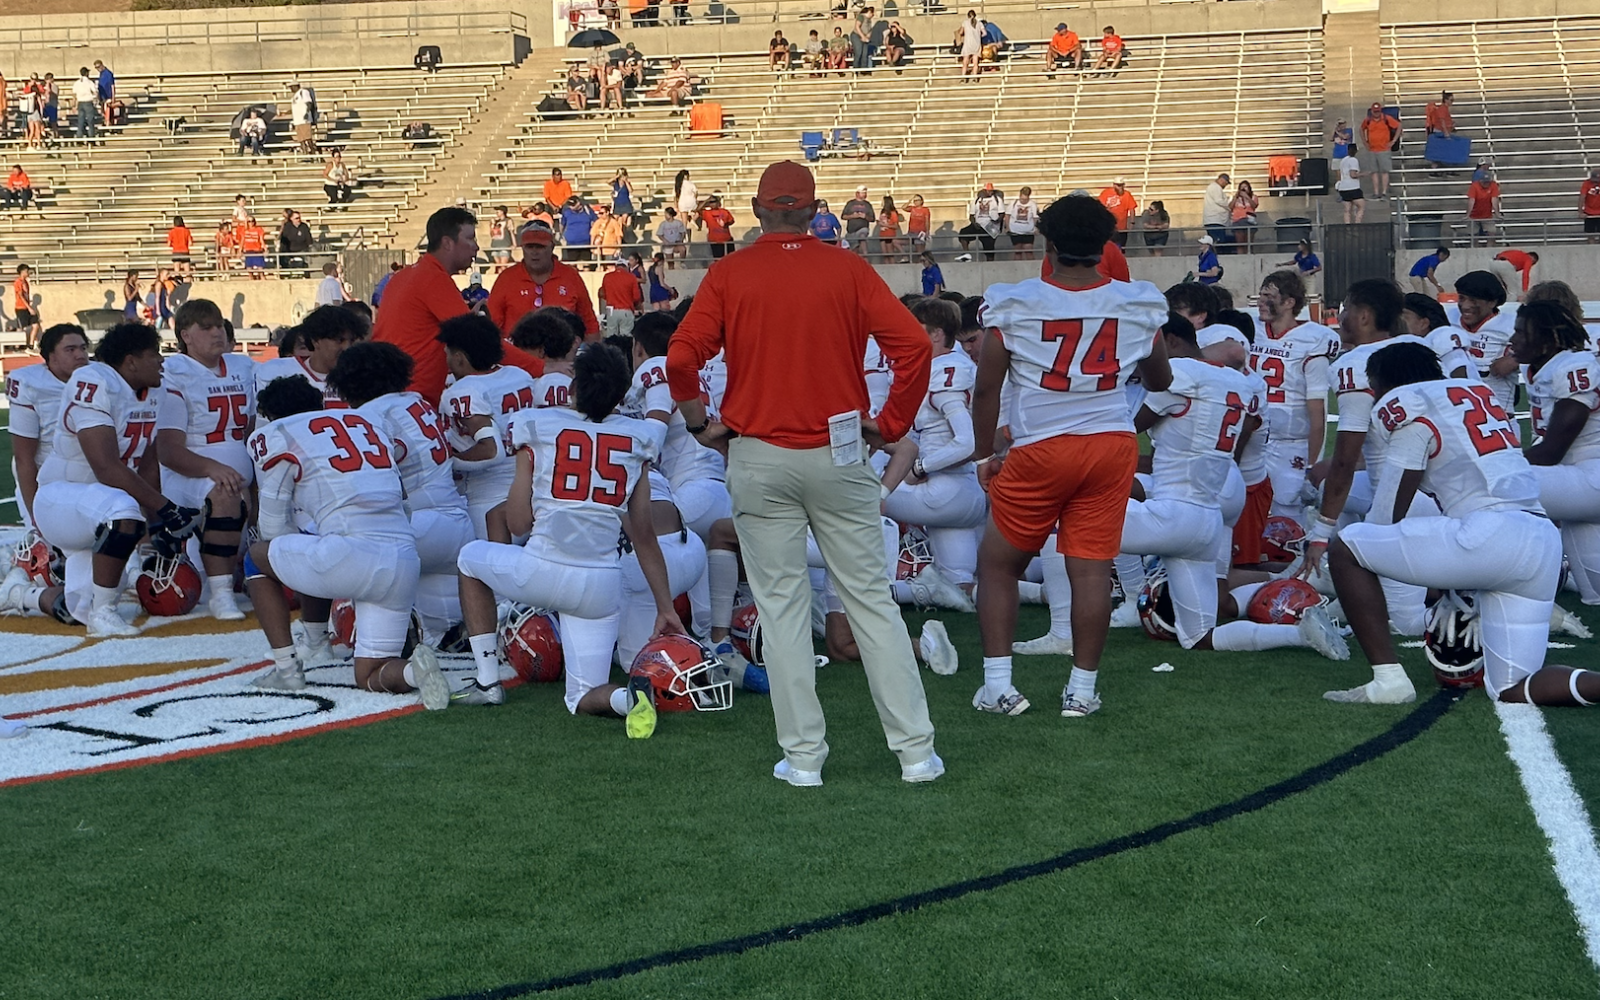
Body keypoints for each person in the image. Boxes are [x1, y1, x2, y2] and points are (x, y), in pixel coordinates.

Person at [665, 159, 942, 785]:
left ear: (760, 210)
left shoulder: (731, 272)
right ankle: (916, 753)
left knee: (782, 609)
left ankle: (804, 758)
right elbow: (915, 347)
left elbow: (682, 358)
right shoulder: (846, 268)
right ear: (814, 210)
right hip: (839, 449)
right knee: (871, 602)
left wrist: (696, 421)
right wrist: (891, 424)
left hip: (758, 453)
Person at [967, 194, 1171, 719]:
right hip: (1111, 444)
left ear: (1047, 242)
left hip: (1042, 447)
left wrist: (983, 453)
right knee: (1091, 572)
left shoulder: (1015, 301)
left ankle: (998, 686)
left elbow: (987, 389)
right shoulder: (1137, 301)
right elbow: (1161, 380)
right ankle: (1081, 691)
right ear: (1105, 243)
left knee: (997, 566)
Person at [1324, 341, 1596, 707]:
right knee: (1512, 688)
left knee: (1347, 547)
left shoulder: (1406, 403)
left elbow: (1387, 517)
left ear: (1384, 384)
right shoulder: (1479, 392)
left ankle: (1388, 680)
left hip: (1487, 536)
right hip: (1541, 539)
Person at [454, 342, 683, 728]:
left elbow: (518, 524)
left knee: (469, 560)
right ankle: (629, 697)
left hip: (542, 569)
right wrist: (666, 607)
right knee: (581, 696)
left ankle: (487, 680)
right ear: (622, 393)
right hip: (599, 585)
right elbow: (643, 535)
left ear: (574, 387)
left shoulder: (539, 426)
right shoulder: (637, 436)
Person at [242, 375, 446, 706]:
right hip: (403, 558)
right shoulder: (364, 423)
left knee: (258, 556)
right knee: (370, 675)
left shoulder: (281, 434)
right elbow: (404, 501)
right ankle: (413, 672)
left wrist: (286, 558)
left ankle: (286, 669)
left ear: (270, 415)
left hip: (348, 554)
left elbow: (273, 523)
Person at [24, 323, 201, 637]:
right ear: (130, 361)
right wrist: (168, 509)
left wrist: (157, 525)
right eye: (153, 355)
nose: (161, 361)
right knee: (122, 508)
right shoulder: (93, 380)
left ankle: (23, 595)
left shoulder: (155, 390)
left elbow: (148, 466)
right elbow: (105, 467)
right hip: (62, 500)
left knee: (76, 610)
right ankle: (104, 615)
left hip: (96, 508)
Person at [153, 299, 254, 623]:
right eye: (206, 327)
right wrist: (213, 468)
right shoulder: (174, 373)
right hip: (190, 475)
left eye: (220, 324)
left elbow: (249, 431)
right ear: (185, 335)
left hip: (238, 474)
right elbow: (168, 451)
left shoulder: (243, 366)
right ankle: (221, 595)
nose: (217, 333)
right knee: (225, 492)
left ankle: (247, 569)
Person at [1515, 301, 1600, 609]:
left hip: (1590, 476)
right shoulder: (1545, 367)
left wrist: (1496, 463)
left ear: (1549, 341)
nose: (1514, 340)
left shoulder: (1573, 366)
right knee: (1595, 596)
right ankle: (1555, 575)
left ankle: (1494, 582)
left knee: (1494, 486)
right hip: (1577, 482)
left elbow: (1552, 451)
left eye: (1521, 333)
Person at [437, 314, 537, 542]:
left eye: (449, 354)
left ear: (460, 358)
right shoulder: (519, 376)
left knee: (484, 570)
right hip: (530, 491)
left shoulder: (464, 390)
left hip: (489, 496)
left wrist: (444, 462)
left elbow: (491, 451)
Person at [1252, 270, 1339, 523]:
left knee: (1287, 514)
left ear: (1289, 302)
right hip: (1254, 440)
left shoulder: (1312, 340)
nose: (1261, 300)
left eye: (1269, 296)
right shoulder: (1251, 330)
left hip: (1292, 444)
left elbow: (1317, 411)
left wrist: (1313, 467)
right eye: (1261, 294)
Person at [371, 206, 478, 404]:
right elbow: (478, 341)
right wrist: (538, 367)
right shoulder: (434, 278)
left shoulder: (403, 276)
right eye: (470, 238)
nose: (476, 247)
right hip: (413, 400)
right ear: (447, 242)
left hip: (388, 393)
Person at [0, 323, 88, 542]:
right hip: (45, 473)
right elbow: (23, 457)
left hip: (87, 470)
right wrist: (35, 516)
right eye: (70, 350)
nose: (80, 355)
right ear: (51, 357)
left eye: (83, 348)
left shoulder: (98, 377)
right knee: (46, 546)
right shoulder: (31, 383)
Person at [489, 220, 600, 338]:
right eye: (529, 247)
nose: (534, 252)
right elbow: (491, 325)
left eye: (540, 246)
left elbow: (589, 324)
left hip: (563, 353)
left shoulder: (570, 276)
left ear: (552, 247)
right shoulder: (506, 279)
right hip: (516, 354)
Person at [1451, 269, 1518, 413]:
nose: (1465, 306)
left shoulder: (1511, 325)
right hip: (1455, 414)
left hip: (1498, 415)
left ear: (1492, 302)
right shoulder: (1448, 319)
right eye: (1462, 298)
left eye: (1473, 300)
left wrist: (1515, 360)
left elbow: (1548, 345)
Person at [1359, 102, 1400, 200]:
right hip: (1372, 149)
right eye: (1374, 112)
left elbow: (1398, 126)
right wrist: (1365, 142)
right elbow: (1361, 129)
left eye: (1377, 112)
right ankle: (1376, 192)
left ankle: (1384, 192)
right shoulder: (1368, 120)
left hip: (1384, 149)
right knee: (1374, 172)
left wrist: (1393, 141)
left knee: (1384, 171)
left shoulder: (1386, 119)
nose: (1376, 114)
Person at [600, 255, 644, 337]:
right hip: (626, 310)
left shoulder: (607, 277)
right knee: (626, 337)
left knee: (611, 337)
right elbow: (636, 297)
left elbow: (603, 294)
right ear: (626, 267)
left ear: (616, 266)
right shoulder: (631, 277)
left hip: (611, 310)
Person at [962, 182, 1005, 261]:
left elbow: (1002, 213)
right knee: (963, 234)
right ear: (984, 190)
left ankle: (990, 264)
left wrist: (997, 221)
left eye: (991, 190)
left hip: (990, 226)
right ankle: (966, 254)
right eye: (988, 191)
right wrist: (974, 224)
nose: (990, 192)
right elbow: (971, 215)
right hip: (978, 225)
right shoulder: (976, 200)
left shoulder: (997, 199)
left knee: (989, 248)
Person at [1467, 164, 1501, 246]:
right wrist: (1468, 214)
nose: (1486, 184)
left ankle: (1489, 250)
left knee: (1492, 233)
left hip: (1487, 215)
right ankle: (1475, 251)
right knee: (1474, 236)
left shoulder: (1493, 185)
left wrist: (1497, 213)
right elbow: (1472, 200)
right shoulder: (1474, 186)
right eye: (1484, 182)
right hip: (1474, 215)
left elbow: (1494, 199)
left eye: (1487, 182)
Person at [1098, 178, 1137, 247]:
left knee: (1121, 247)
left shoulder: (1127, 194)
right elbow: (1100, 207)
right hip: (1108, 227)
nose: (1120, 187)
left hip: (1121, 227)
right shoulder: (1106, 193)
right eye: (1118, 185)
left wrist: (1132, 222)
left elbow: (1132, 208)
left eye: (1122, 185)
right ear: (1114, 185)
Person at [560, 195, 597, 264]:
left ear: (578, 203)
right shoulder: (567, 212)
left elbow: (596, 222)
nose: (571, 207)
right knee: (572, 265)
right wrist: (562, 236)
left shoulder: (588, 211)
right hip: (571, 244)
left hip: (586, 243)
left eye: (573, 205)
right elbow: (562, 224)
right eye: (570, 205)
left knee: (586, 264)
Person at [1333, 144, 1364, 223]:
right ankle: (1357, 224)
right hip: (1353, 187)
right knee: (1361, 207)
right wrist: (1364, 174)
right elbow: (1353, 175)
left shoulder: (1343, 160)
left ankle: (1347, 226)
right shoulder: (1353, 160)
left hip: (1343, 187)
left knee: (1347, 210)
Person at [11, 263, 38, 350]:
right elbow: (21, 296)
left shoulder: (25, 282)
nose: (28, 273)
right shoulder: (17, 282)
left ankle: (30, 345)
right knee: (21, 327)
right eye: (26, 271)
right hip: (20, 308)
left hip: (27, 307)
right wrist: (29, 308)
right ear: (22, 272)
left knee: (36, 325)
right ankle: (16, 346)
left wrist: (30, 307)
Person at [1228, 180, 1259, 252]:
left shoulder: (1254, 197)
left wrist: (1247, 197)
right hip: (1238, 220)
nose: (1243, 189)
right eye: (1241, 187)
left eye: (1245, 187)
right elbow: (1230, 207)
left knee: (1249, 243)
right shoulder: (1235, 198)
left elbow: (1254, 206)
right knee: (1240, 243)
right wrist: (1236, 197)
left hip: (1249, 220)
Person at [1007, 186, 1037, 259]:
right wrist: (1008, 227)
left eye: (1025, 199)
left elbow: (1035, 217)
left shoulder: (1032, 204)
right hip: (1015, 231)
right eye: (1022, 199)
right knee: (1017, 252)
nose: (1023, 201)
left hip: (1028, 231)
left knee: (1029, 251)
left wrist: (1035, 227)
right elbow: (1007, 215)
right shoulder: (1013, 203)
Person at [841, 185, 873, 254]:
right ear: (857, 193)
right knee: (855, 250)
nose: (865, 194)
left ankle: (866, 255)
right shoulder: (850, 203)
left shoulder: (868, 205)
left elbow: (872, 218)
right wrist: (852, 216)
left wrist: (865, 217)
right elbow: (843, 216)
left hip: (863, 228)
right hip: (852, 231)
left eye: (865, 192)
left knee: (862, 236)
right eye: (863, 192)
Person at [1202, 173, 1232, 247]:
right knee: (1218, 241)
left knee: (1216, 240)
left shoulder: (1213, 187)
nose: (1225, 185)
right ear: (1222, 180)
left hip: (1214, 220)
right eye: (1226, 183)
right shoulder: (1216, 188)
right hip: (1215, 219)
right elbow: (1219, 201)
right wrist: (1229, 206)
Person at [71, 66, 96, 141]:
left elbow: (74, 95)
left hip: (80, 102)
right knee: (90, 121)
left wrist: (73, 105)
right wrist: (96, 99)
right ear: (87, 73)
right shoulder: (90, 82)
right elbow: (95, 92)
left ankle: (79, 137)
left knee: (80, 121)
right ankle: (91, 138)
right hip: (88, 101)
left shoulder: (77, 83)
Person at [957, 10, 983, 80]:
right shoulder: (979, 23)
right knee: (975, 62)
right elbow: (985, 33)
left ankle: (963, 76)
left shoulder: (965, 22)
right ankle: (974, 76)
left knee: (965, 61)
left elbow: (960, 32)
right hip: (977, 44)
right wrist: (979, 36)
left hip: (968, 43)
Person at [876, 195, 902, 262]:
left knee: (890, 254)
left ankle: (892, 267)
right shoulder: (882, 212)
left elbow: (896, 226)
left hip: (889, 235)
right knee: (884, 254)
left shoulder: (893, 213)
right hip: (882, 234)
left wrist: (886, 225)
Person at [167, 215, 194, 280]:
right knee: (187, 271)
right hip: (185, 251)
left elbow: (169, 244)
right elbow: (190, 243)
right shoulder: (186, 231)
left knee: (177, 271)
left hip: (176, 251)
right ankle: (188, 283)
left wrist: (174, 245)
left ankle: (178, 283)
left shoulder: (172, 232)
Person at [1583, 166, 1600, 244]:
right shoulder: (1587, 183)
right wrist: (1580, 211)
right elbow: (1582, 196)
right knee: (1590, 235)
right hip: (1589, 212)